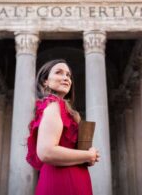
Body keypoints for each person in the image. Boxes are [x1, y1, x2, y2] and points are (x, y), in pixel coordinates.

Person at [26, 59, 100, 195]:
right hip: (63, 181)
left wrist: (89, 157)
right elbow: (46, 152)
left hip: (73, 178)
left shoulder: (63, 109)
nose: (66, 78)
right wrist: (88, 155)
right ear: (45, 81)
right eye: (59, 73)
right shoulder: (54, 105)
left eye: (68, 75)